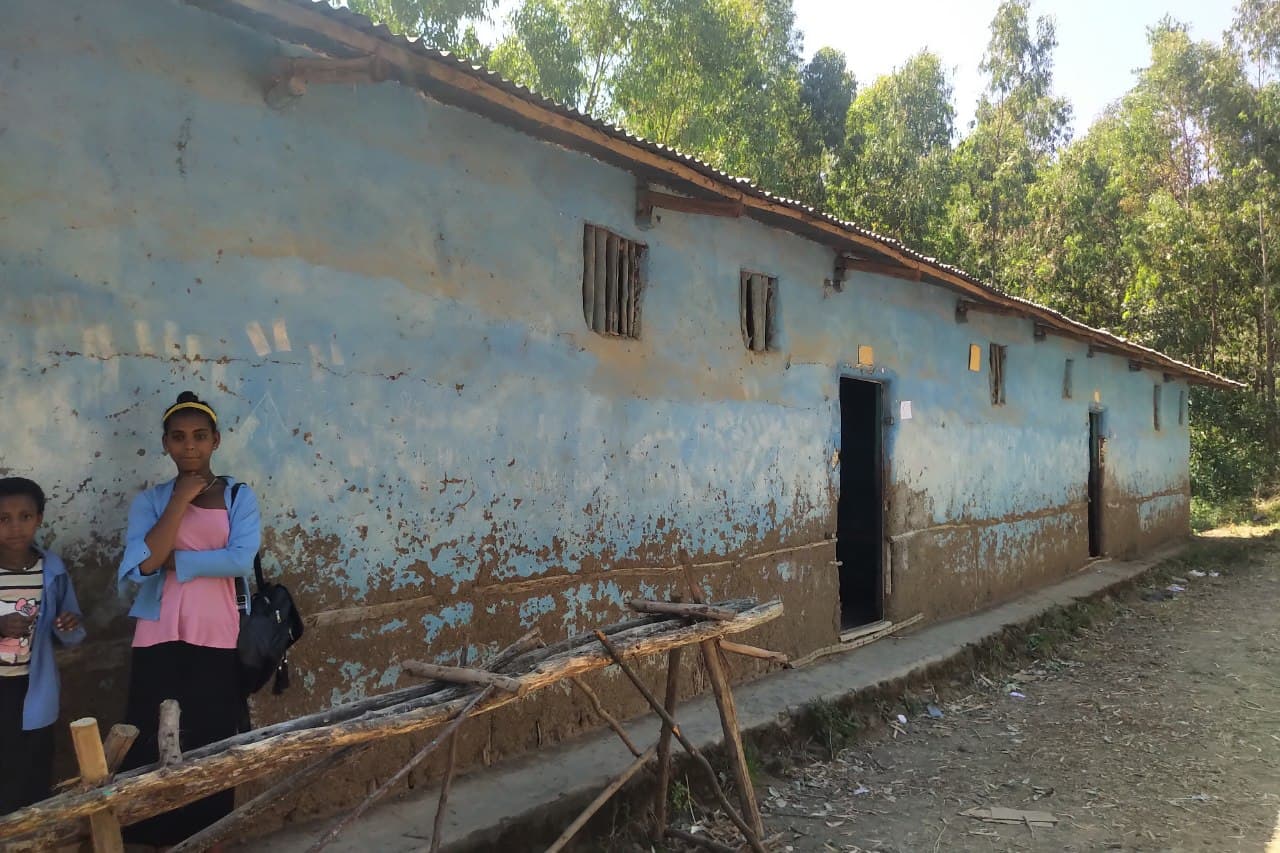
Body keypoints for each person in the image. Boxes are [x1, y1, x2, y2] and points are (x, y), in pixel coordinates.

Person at [117, 391, 260, 846]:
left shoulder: (239, 495)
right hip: (156, 636)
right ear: (166, 445)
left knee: (212, 742)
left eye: (200, 436)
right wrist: (180, 499)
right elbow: (142, 567)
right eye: (178, 438)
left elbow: (239, 560)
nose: (190, 446)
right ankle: (151, 839)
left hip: (217, 637)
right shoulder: (152, 501)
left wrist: (172, 559)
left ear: (216, 440)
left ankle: (205, 838)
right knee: (146, 742)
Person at [0, 476, 85, 815]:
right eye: (3, 518)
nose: (15, 527)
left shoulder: (50, 569)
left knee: (34, 765)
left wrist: (67, 625)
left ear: (39, 519)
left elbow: (72, 626)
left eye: (25, 516)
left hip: (33, 686)